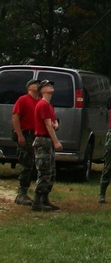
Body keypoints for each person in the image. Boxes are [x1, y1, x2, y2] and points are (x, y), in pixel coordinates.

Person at [31, 79, 62, 213]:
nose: (50, 87)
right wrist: (56, 141)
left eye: (51, 85)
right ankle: (37, 201)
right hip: (43, 140)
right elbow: (48, 125)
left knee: (50, 172)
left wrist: (56, 125)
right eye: (47, 86)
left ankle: (44, 199)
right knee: (44, 172)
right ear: (42, 90)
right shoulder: (42, 104)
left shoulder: (49, 106)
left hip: (47, 141)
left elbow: (54, 122)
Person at [12, 76, 40, 206]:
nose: (38, 85)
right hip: (26, 134)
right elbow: (15, 117)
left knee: (33, 165)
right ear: (29, 87)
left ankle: (26, 192)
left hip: (36, 136)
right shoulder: (23, 100)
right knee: (26, 164)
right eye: (35, 84)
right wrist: (19, 135)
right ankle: (21, 193)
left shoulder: (40, 101)